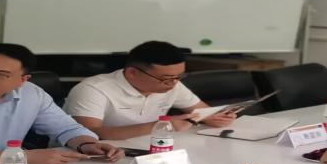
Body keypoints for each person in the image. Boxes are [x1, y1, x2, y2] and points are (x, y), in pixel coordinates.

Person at [64, 41, 237, 140]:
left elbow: (203, 111)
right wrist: (161, 126)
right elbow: (90, 135)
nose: (173, 83)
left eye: (179, 76)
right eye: (166, 78)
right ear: (132, 73)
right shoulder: (93, 89)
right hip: (95, 156)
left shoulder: (172, 83)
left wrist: (215, 117)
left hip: (148, 148)